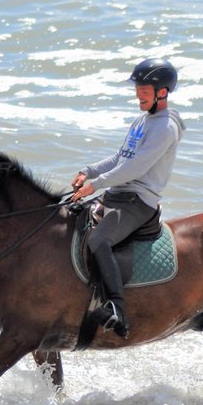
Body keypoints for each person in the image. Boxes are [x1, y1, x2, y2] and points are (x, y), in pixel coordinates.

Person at [69, 59, 185, 338]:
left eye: (144, 89)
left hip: (138, 202)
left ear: (163, 92)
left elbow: (136, 168)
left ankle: (116, 309)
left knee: (98, 240)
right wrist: (89, 171)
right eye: (137, 88)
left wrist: (95, 185)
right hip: (117, 194)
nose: (138, 94)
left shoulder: (165, 127)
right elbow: (121, 158)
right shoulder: (142, 120)